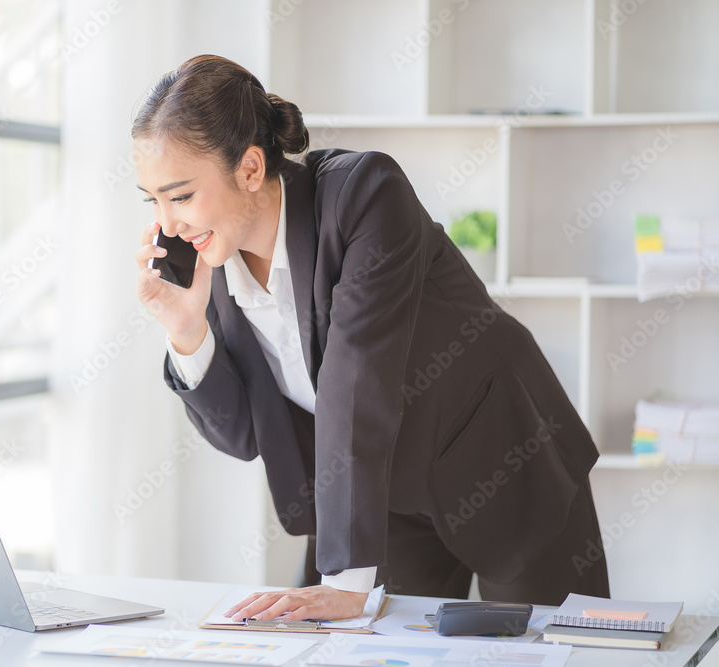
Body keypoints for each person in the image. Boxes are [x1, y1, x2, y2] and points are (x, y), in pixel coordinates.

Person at [132, 54, 609, 622]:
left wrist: (347, 581)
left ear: (251, 169)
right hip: (381, 490)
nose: (168, 223)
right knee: (383, 651)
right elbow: (242, 435)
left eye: (180, 196)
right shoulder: (213, 257)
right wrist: (186, 330)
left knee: (568, 646)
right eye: (152, 200)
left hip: (500, 455)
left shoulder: (363, 195)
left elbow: (356, 375)